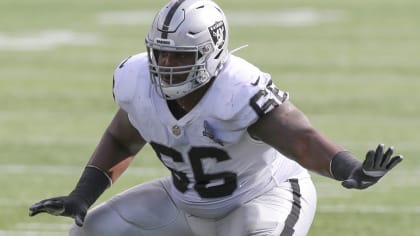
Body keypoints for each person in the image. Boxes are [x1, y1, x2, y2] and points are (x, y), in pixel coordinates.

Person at [29, 0, 403, 235]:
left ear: (211, 53)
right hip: (186, 201)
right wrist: (83, 194)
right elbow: (123, 138)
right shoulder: (137, 79)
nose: (166, 65)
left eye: (179, 57)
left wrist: (348, 167)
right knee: (90, 230)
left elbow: (300, 138)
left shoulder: (238, 89)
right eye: (160, 53)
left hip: (262, 200)